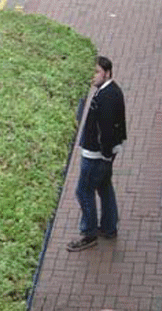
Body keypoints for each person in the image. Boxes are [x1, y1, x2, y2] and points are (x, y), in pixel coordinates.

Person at [67, 56, 127, 252]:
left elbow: (106, 131)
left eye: (96, 72)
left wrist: (106, 153)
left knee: (83, 191)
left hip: (96, 155)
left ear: (107, 73)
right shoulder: (111, 91)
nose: (92, 76)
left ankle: (89, 232)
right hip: (103, 154)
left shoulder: (106, 97)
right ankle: (109, 227)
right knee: (103, 186)